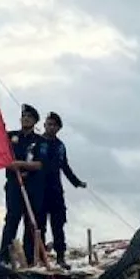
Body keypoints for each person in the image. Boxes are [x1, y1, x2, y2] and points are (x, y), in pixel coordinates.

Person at [0, 104, 50, 266]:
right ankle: (4, 257)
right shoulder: (10, 136)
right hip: (14, 184)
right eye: (24, 116)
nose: (26, 119)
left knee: (31, 221)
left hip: (33, 186)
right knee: (12, 218)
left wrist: (19, 164)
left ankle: (29, 258)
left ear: (35, 121)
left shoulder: (40, 141)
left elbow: (40, 164)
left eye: (29, 117)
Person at [37, 111, 86, 269]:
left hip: (56, 191)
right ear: (44, 125)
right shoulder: (37, 142)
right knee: (39, 226)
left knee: (58, 225)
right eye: (48, 124)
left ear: (58, 128)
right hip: (39, 190)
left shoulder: (60, 146)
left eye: (53, 125)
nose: (50, 127)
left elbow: (65, 167)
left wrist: (77, 182)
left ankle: (60, 257)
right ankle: (41, 258)